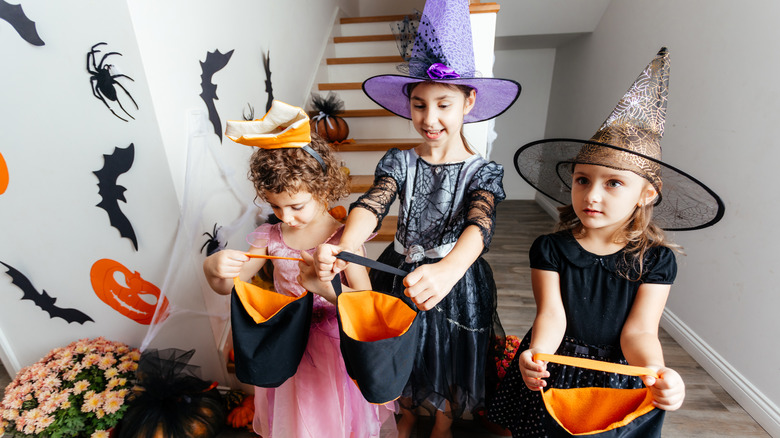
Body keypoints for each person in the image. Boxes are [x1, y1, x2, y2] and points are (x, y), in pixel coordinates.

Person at [487, 48, 725, 436]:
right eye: (583, 180)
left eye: (613, 182)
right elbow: (552, 314)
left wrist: (656, 372)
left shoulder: (657, 260)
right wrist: (537, 355)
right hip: (557, 364)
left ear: (648, 192)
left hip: (615, 373)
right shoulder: (550, 249)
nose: (591, 195)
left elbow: (640, 331)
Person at [311, 0, 521, 436]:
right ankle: (406, 410)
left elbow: (479, 224)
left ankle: (442, 421)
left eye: (443, 104)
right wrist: (348, 243)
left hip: (455, 278)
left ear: (469, 101)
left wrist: (448, 271)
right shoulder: (399, 162)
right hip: (399, 266)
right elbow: (373, 203)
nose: (430, 119)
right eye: (420, 104)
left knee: (447, 349)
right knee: (403, 342)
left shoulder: (482, 171)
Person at [203, 101, 395, 438]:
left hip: (333, 351)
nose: (286, 217)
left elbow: (364, 302)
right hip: (288, 348)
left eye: (296, 206)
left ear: (322, 190)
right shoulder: (271, 237)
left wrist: (323, 288)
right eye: (275, 207)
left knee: (331, 421)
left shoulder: (343, 238)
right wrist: (213, 268)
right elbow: (229, 286)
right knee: (296, 422)